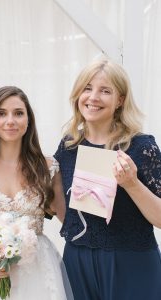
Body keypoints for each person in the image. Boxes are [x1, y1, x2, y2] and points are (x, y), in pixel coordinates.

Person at [54, 58, 161, 300]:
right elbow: (63, 205)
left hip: (130, 263)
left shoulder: (141, 147)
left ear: (120, 100)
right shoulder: (69, 146)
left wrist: (131, 184)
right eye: (87, 88)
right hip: (78, 261)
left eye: (105, 91)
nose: (93, 97)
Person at [0, 86, 73, 299]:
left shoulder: (48, 167)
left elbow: (68, 219)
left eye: (18, 113)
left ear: (29, 120)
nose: (11, 120)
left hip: (36, 269)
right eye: (1, 113)